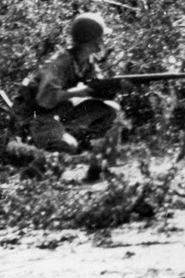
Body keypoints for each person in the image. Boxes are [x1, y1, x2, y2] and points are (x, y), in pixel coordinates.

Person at [18, 12, 127, 182]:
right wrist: (79, 92)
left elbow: (98, 88)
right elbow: (45, 98)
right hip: (37, 114)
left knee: (112, 110)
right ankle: (29, 181)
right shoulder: (60, 63)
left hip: (61, 110)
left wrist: (118, 88)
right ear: (93, 40)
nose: (104, 42)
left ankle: (99, 169)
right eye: (101, 37)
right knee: (66, 146)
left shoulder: (87, 62)